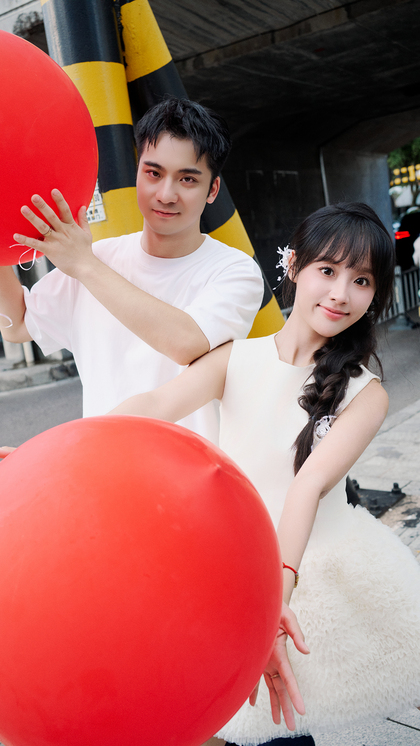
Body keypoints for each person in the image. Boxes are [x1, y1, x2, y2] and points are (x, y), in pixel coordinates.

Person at [107, 203, 420, 744]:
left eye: (362, 280)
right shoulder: (235, 358)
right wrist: (53, 449)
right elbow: (155, 405)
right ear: (293, 265)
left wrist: (276, 602)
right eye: (328, 270)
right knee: (223, 720)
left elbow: (307, 486)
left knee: (283, 726)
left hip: (308, 575)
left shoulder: (366, 394)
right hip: (233, 564)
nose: (341, 293)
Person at [0, 98, 263, 443]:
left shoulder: (234, 271)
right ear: (137, 171)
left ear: (212, 189)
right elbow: (18, 325)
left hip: (190, 470)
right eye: (153, 173)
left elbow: (186, 343)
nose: (165, 194)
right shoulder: (98, 258)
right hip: (103, 463)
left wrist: (84, 265)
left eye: (187, 179)